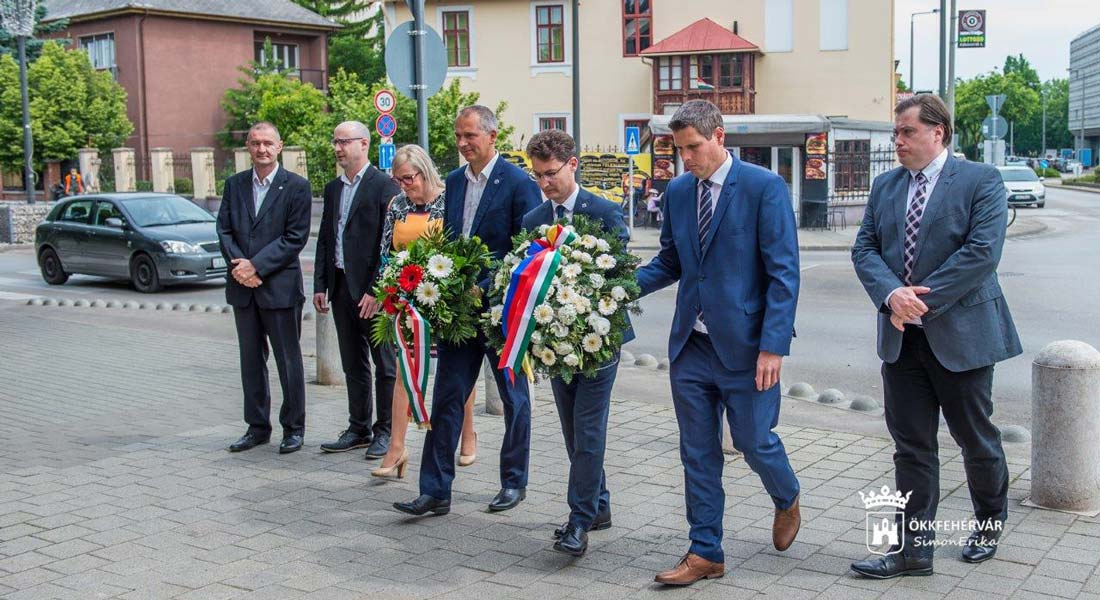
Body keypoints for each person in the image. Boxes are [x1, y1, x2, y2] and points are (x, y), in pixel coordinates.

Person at [850, 94, 1021, 578]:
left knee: (976, 439)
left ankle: (988, 524)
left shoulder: (981, 181)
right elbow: (864, 249)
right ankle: (912, 552)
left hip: (961, 336)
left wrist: (915, 300)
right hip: (901, 338)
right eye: (896, 133)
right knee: (912, 446)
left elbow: (981, 254)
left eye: (906, 132)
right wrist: (891, 296)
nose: (897, 141)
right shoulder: (885, 186)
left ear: (937, 132)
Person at [635, 100, 802, 586]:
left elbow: (784, 274)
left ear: (719, 137)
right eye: (679, 148)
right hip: (692, 346)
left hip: (748, 347)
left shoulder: (763, 187)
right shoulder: (679, 192)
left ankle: (787, 495)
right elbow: (670, 262)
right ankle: (705, 550)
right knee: (697, 450)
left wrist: (773, 347)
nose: (686, 158)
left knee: (754, 441)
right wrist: (617, 284)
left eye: (694, 147)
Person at [394, 105, 540, 516]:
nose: (462, 144)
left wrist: (486, 283)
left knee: (515, 400)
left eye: (470, 136)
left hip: (501, 312)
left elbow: (525, 249)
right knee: (447, 397)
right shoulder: (454, 182)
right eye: (458, 136)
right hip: (460, 313)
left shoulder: (517, 182)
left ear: (491, 136)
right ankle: (435, 490)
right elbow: (451, 242)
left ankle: (514, 482)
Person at [520, 129, 632, 557]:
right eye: (538, 177)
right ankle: (599, 505)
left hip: (600, 342)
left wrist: (592, 313)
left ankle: (579, 521)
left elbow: (621, 275)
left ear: (572, 165)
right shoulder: (534, 220)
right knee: (571, 429)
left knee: (588, 429)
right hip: (555, 341)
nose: (545, 183)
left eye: (551, 174)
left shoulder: (604, 211)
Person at [371, 144, 480, 479]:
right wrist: (388, 288)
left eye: (408, 178)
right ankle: (397, 447)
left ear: (424, 171)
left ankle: (468, 435)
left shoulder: (448, 202)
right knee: (404, 369)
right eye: (398, 180)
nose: (404, 185)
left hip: (441, 297)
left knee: (456, 371)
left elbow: (459, 250)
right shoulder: (397, 205)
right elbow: (385, 252)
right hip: (407, 298)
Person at [217, 121, 311, 454]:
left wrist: (255, 266)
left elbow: (294, 237)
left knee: (288, 360)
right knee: (251, 360)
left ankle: (294, 428)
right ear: (248, 146)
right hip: (244, 289)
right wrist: (241, 268)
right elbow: (224, 230)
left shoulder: (296, 186)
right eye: (256, 143)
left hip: (280, 288)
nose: (262, 149)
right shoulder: (234, 185)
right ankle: (257, 427)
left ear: (280, 146)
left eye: (268, 143)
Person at [313, 121, 399, 460]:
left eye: (343, 141)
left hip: (373, 295)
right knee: (353, 363)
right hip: (340, 288)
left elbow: (390, 244)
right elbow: (325, 238)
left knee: (385, 365)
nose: (337, 148)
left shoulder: (384, 186)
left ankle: (387, 430)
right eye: (334, 141)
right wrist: (321, 284)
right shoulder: (333, 188)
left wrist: (378, 291)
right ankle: (358, 427)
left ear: (363, 143)